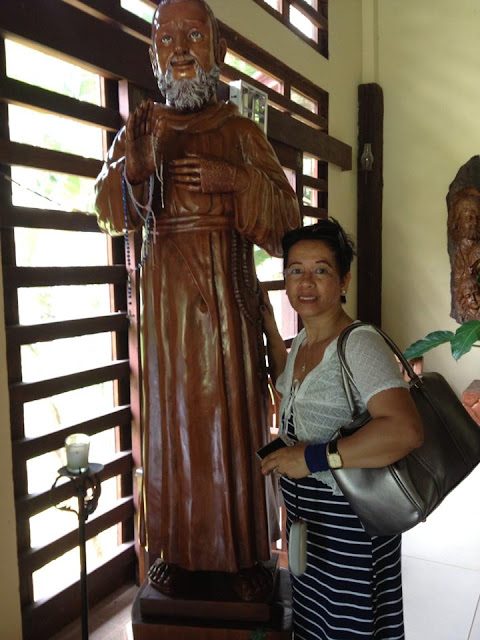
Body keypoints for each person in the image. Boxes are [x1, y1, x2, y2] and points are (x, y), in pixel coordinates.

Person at [94, 0, 301, 601]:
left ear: (219, 48)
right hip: (164, 316)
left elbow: (287, 222)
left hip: (226, 315)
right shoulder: (141, 129)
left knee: (230, 428)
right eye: (167, 38)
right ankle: (177, 552)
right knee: (172, 428)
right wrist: (134, 172)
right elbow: (106, 212)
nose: (180, 48)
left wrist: (233, 182)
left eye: (193, 35)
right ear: (152, 53)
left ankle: (243, 555)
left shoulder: (239, 132)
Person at [260, 219, 423, 639]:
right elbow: (290, 383)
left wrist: (312, 457)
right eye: (295, 270)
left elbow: (405, 431)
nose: (306, 282)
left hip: (354, 522)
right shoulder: (303, 343)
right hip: (309, 518)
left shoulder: (359, 343)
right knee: (317, 621)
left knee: (351, 625)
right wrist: (267, 325)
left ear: (344, 278)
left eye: (321, 269)